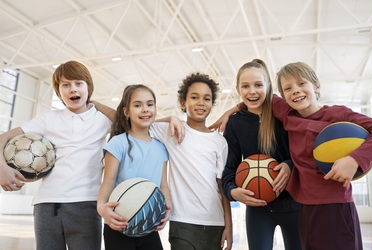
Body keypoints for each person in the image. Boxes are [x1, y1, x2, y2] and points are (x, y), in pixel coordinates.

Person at [210, 61, 372, 250]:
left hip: (329, 205)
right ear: (283, 95)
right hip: (305, 208)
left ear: (317, 87)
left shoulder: (332, 114)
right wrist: (232, 110)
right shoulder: (287, 115)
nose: (296, 91)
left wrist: (355, 159)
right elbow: (254, 96)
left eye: (301, 84)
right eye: (288, 88)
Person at [0, 60, 112, 250]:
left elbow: (132, 122)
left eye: (78, 83)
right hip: (46, 205)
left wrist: (171, 118)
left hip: (86, 204)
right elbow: (2, 138)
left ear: (88, 87)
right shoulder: (48, 119)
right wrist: (2, 169)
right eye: (65, 85)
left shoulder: (103, 120)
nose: (72, 89)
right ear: (58, 91)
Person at [221, 59, 301, 250]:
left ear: (268, 86)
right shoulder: (235, 124)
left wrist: (290, 165)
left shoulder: (286, 115)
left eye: (258, 85)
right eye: (245, 86)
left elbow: (304, 155)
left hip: (294, 203)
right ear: (238, 89)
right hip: (257, 208)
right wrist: (232, 191)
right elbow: (229, 169)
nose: (252, 91)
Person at [150, 72, 233, 250]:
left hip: (214, 222)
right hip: (182, 221)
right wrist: (171, 118)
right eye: (194, 97)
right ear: (183, 103)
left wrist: (229, 225)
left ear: (212, 103)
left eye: (207, 98)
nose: (201, 103)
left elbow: (222, 185)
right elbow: (141, 122)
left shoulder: (219, 142)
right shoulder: (172, 130)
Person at [97, 84, 171, 250]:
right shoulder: (118, 143)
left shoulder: (161, 147)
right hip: (119, 223)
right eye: (137, 105)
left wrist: (167, 208)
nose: (145, 109)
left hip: (148, 224)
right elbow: (108, 182)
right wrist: (101, 207)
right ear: (126, 112)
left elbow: (163, 184)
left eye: (150, 104)